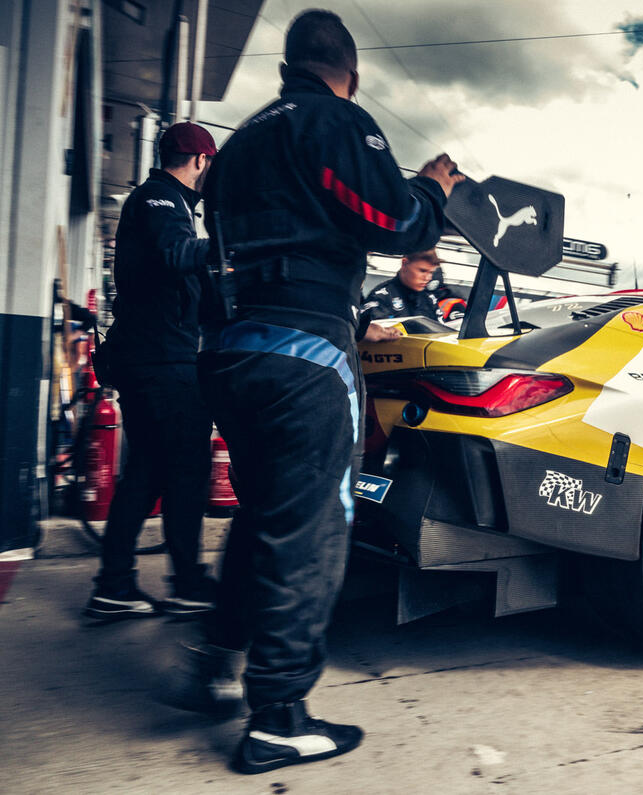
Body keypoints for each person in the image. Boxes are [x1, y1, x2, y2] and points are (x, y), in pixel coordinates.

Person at [167, 9, 463, 774]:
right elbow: (391, 220)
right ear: (350, 73)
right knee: (313, 527)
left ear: (285, 67)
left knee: (266, 513)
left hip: (227, 351)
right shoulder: (332, 119)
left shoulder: (236, 149)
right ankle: (279, 715)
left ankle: (216, 662)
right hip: (301, 351)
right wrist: (430, 189)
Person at [83, 122, 218, 621]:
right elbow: (176, 255)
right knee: (186, 469)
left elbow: (182, 281)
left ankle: (115, 583)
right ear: (201, 161)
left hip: (154, 355)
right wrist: (232, 245)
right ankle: (186, 583)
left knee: (149, 469)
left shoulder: (167, 202)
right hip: (163, 360)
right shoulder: (160, 199)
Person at [360, 249, 443, 323]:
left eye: (431, 272)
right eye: (422, 271)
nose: (428, 278)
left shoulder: (429, 299)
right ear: (404, 263)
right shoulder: (381, 298)